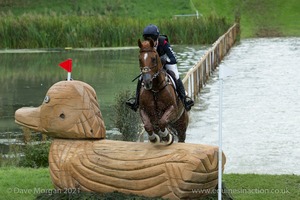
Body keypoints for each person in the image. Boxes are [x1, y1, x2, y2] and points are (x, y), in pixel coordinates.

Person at [126, 24, 194, 112]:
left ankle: (184, 100)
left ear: (156, 38)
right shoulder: (145, 46)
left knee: (175, 75)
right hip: (151, 67)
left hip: (166, 63)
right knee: (141, 77)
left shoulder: (163, 43)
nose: (149, 42)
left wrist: (164, 61)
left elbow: (174, 59)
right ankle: (136, 101)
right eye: (147, 39)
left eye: (151, 39)